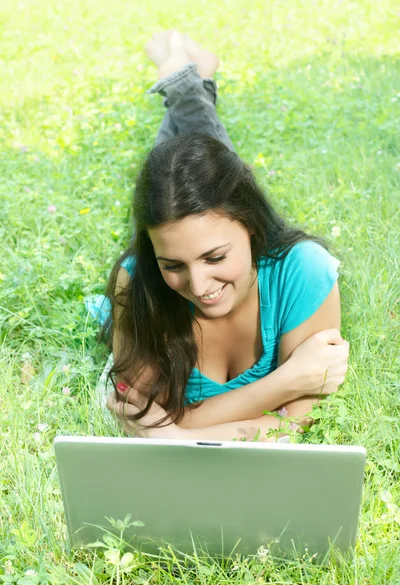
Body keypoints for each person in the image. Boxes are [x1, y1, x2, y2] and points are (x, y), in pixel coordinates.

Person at [101, 30, 349, 441]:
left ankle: (185, 83)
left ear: (252, 226)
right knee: (185, 182)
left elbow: (299, 421)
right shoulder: (139, 277)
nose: (198, 286)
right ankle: (191, 82)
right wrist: (288, 380)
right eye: (172, 264)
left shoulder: (303, 270)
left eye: (215, 258)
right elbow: (141, 414)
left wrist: (179, 433)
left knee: (198, 175)